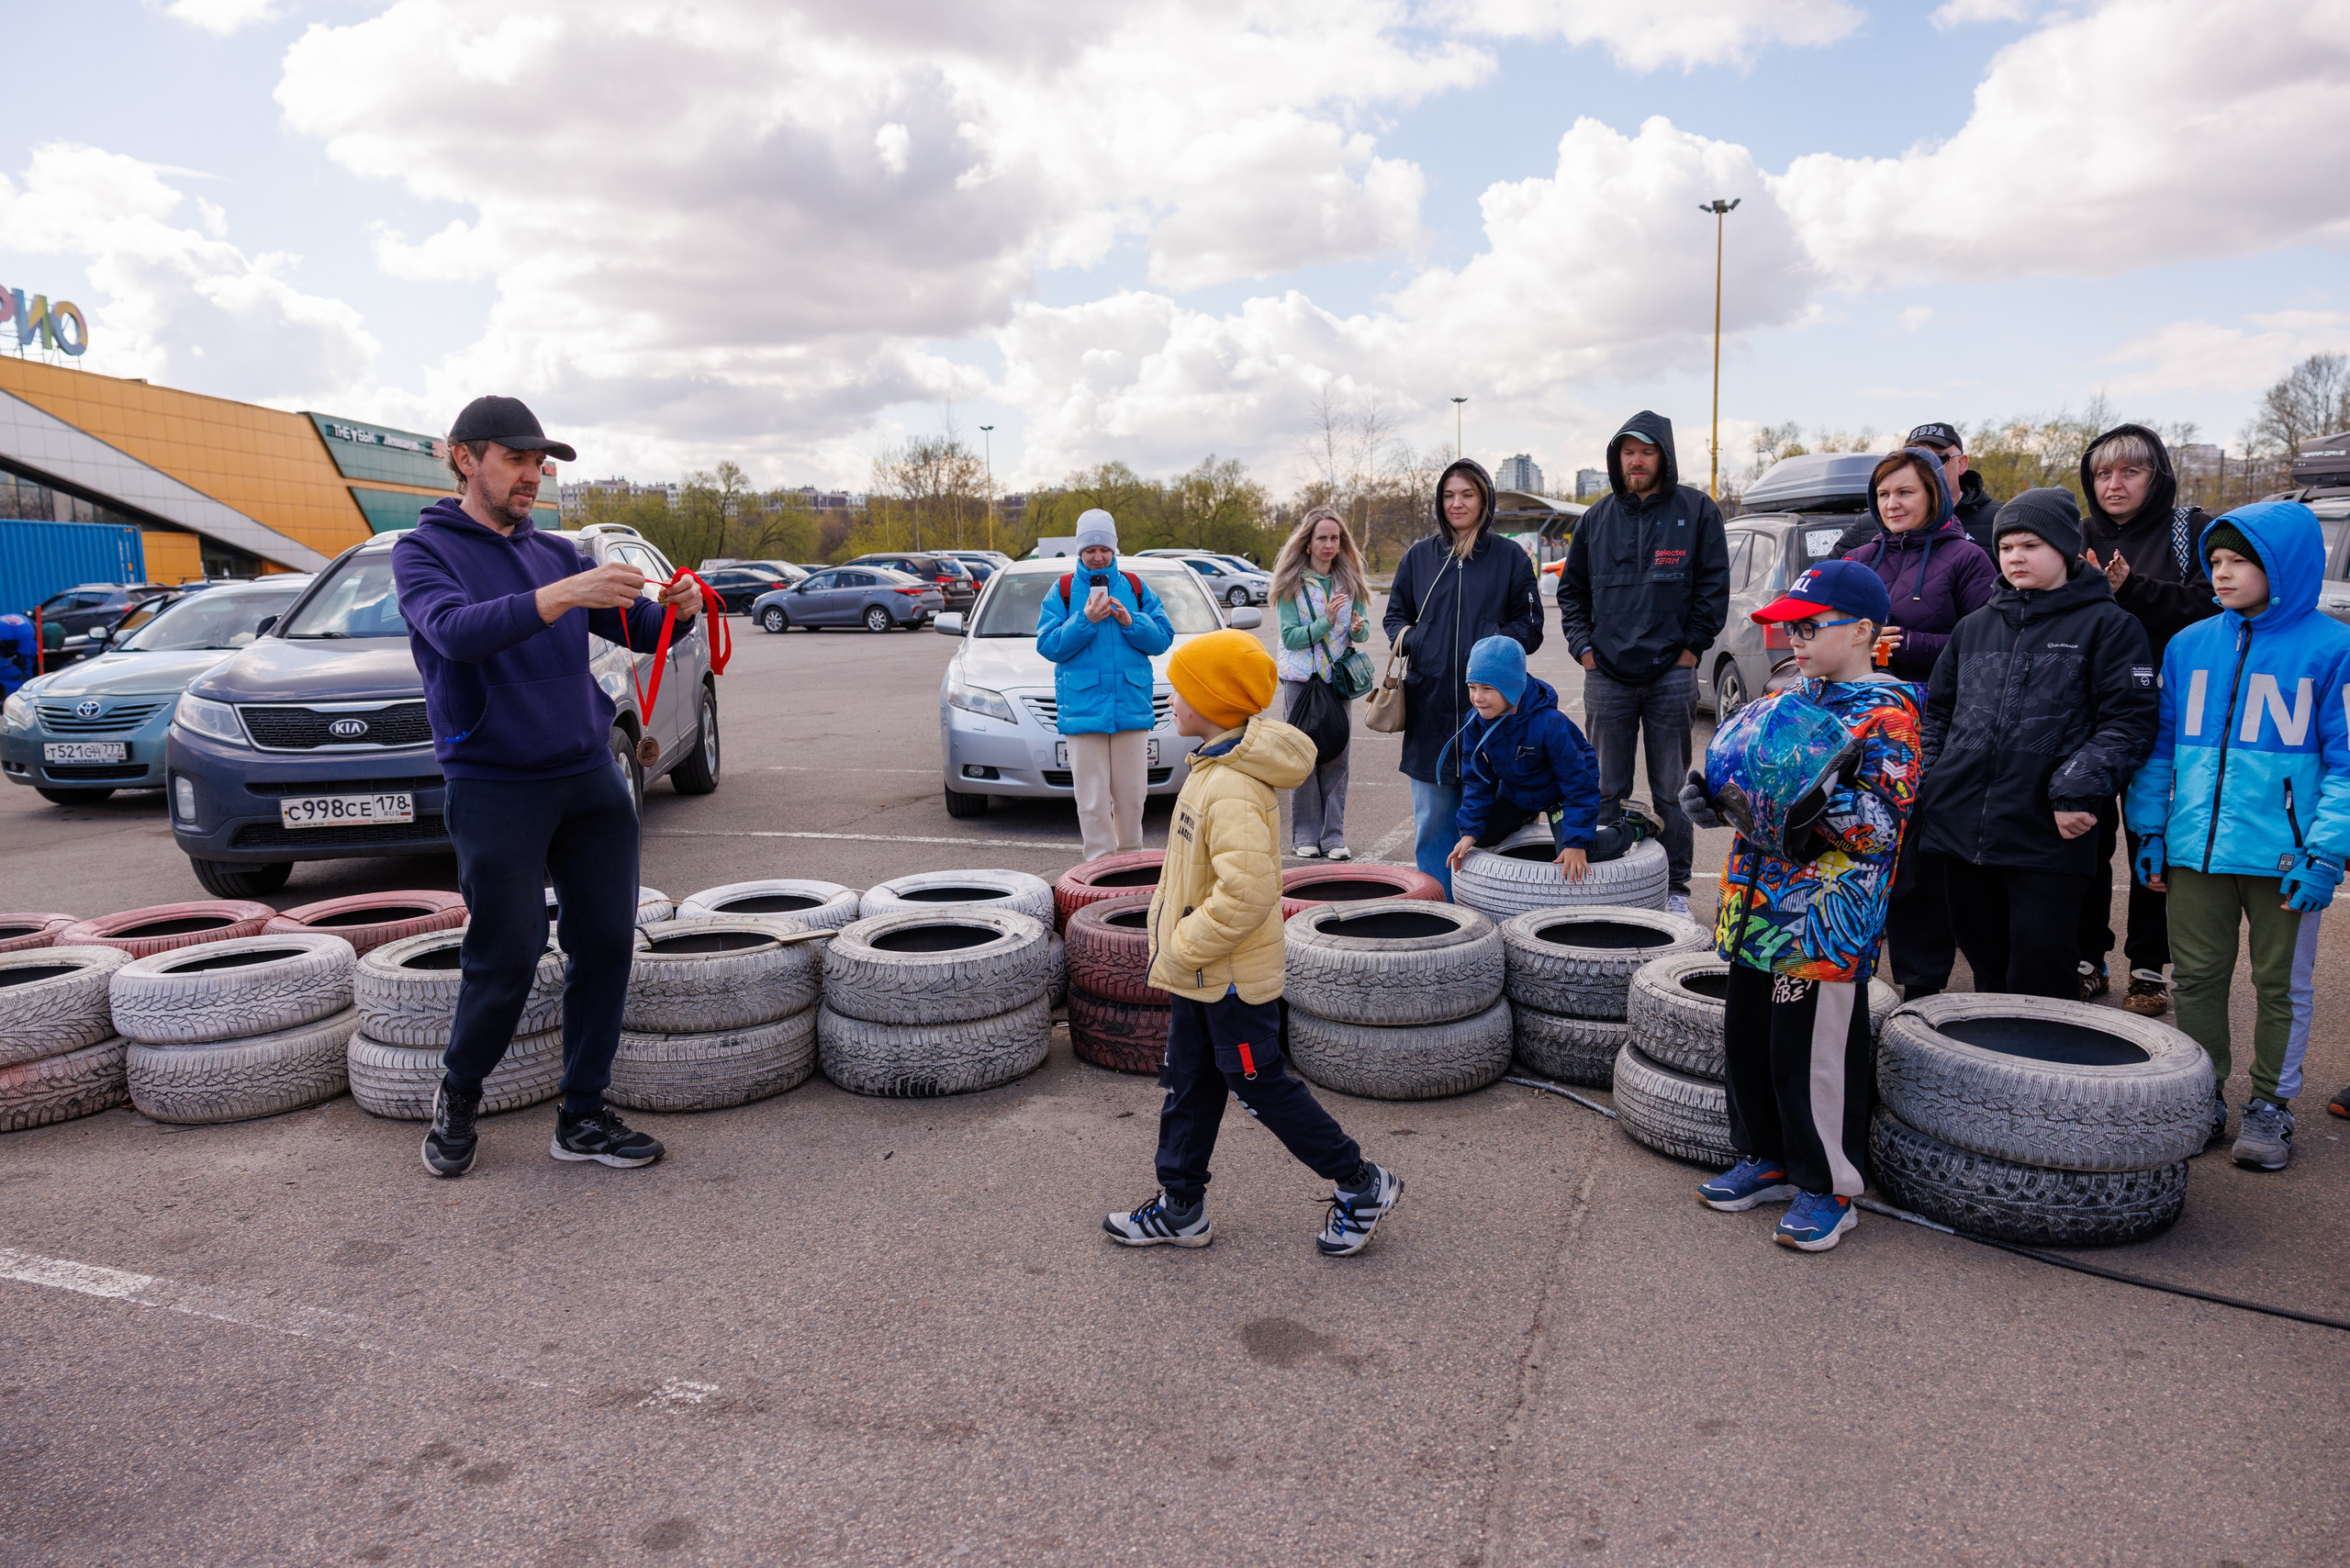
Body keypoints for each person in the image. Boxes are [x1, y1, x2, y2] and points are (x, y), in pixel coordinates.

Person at [392, 395, 702, 1178]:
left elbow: (636, 631)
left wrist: (681, 611)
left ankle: (583, 1115)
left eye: (542, 463)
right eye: (518, 460)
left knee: (604, 943)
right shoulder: (423, 553)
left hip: (589, 774)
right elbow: (456, 633)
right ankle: (458, 1094)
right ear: (466, 458)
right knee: (508, 953)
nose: (535, 476)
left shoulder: (557, 552)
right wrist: (568, 592)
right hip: (495, 781)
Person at [1103, 629, 1403, 1256]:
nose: (1173, 699)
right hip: (1203, 975)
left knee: (1260, 1085)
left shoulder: (1233, 786)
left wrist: (1182, 945)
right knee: (1189, 1082)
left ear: (1214, 704)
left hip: (1228, 978)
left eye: (1183, 690)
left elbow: (1248, 894)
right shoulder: (1213, 766)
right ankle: (1181, 1206)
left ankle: (1361, 1182)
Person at [1680, 560, 1922, 1252]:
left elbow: (1882, 829)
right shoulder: (1790, 690)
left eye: (1811, 627)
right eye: (1790, 628)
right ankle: (1767, 1155)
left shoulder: (1891, 713)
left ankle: (1830, 1185)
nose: (1795, 640)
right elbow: (1748, 781)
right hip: (1757, 912)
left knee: (1809, 1052)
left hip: (1819, 924)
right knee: (1751, 1038)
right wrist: (1714, 800)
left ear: (1865, 632)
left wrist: (1812, 791)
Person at [2125, 502, 2350, 1170]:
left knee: (2281, 985)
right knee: (2195, 980)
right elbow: (2158, 748)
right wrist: (2151, 829)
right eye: (2214, 561)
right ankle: (2203, 1096)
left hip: (2287, 856)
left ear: (2282, 567)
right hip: (2195, 852)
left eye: (2238, 561)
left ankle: (2271, 1106)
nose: (2220, 573)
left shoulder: (2333, 648)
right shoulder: (2189, 644)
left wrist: (2326, 854)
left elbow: (2345, 763)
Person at [1914, 489, 2157, 1000]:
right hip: (1961, 828)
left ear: (2066, 550)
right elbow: (1938, 712)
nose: (2015, 557)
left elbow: (2129, 722)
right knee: (1985, 960)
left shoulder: (2110, 626)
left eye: (2031, 545)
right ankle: (1990, 1071)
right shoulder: (1973, 627)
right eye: (2005, 547)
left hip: (2047, 831)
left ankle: (2046, 1071)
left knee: (2042, 964)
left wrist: (2074, 790)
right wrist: (1933, 783)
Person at [1557, 410, 1730, 915]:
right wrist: (1584, 650)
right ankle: (1605, 880)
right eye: (1627, 452)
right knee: (1604, 788)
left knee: (1671, 792)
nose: (1636, 460)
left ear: (1665, 456)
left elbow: (1712, 588)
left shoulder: (1697, 511)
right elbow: (1573, 594)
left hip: (1671, 677)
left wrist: (1690, 651)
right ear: (1617, 459)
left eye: (1646, 451)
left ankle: (1675, 889)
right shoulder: (1595, 519)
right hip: (1606, 676)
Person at [1841, 448, 1998, 999]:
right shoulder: (1860, 557)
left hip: (1932, 728)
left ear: (1933, 493)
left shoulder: (1968, 559)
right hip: (1860, 728)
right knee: (1859, 848)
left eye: (1905, 491)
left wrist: (1910, 643)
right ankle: (1849, 980)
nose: (1892, 503)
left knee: (1920, 868)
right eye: (1884, 494)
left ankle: (1920, 990)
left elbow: (1987, 642)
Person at [2075, 424, 2220, 1013]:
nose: (2114, 484)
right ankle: (2085, 957)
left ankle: (2149, 968)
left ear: (2155, 477)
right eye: (2103, 473)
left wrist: (2131, 588)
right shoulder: (2078, 532)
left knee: (2151, 839)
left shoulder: (2191, 530)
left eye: (2130, 472)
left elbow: (2210, 604)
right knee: (2085, 838)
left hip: (2166, 711)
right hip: (2088, 709)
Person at [1382, 459, 1543, 897]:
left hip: (1494, 715)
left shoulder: (1510, 558)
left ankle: (1492, 904)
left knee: (1493, 823)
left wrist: (1490, 647)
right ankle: (1438, 908)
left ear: (1484, 500)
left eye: (1467, 494)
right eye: (1449, 495)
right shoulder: (1419, 556)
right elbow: (1395, 616)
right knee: (1434, 820)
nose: (1457, 503)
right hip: (1429, 709)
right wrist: (1419, 641)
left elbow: (1530, 627)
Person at [1441, 635, 1651, 878]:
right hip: (1517, 795)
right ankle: (1525, 815)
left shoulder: (1551, 724)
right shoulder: (1475, 722)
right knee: (1479, 835)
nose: (1477, 697)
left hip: (1559, 798)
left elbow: (1580, 784)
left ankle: (1634, 827)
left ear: (1513, 686)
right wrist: (1470, 830)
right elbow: (1477, 780)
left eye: (1488, 688)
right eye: (1472, 687)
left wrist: (1575, 841)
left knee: (1579, 850)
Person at [1035, 509, 1174, 862]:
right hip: (1083, 709)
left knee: (1132, 796)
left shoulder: (1136, 586)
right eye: (1089, 550)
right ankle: (1098, 868)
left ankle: (1130, 863)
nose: (1097, 557)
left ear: (1114, 549)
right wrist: (1085, 620)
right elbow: (1049, 645)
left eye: (1104, 549)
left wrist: (1132, 620)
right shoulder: (1063, 590)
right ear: (1079, 551)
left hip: (1131, 706)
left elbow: (1161, 640)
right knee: (1092, 798)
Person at [1270, 505, 1370, 859]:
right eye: (1322, 538)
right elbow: (1290, 636)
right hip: (1301, 682)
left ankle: (1333, 837)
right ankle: (1305, 836)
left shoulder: (1349, 581)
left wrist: (1359, 627)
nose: (1329, 544)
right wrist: (1325, 623)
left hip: (1337, 681)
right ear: (1308, 544)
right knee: (1304, 758)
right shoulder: (1291, 585)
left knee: (1337, 759)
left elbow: (1363, 627)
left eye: (1335, 538)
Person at [1832, 422, 2001, 558]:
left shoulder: (1999, 519)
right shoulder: (1868, 525)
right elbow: (1820, 583)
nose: (1927, 466)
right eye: (1916, 458)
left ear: (1962, 463)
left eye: (1938, 458)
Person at [0, 611, 36, 698]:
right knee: (18, 680)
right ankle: (18, 707)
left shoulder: (25, 621)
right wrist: (29, 683)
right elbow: (24, 661)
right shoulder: (31, 637)